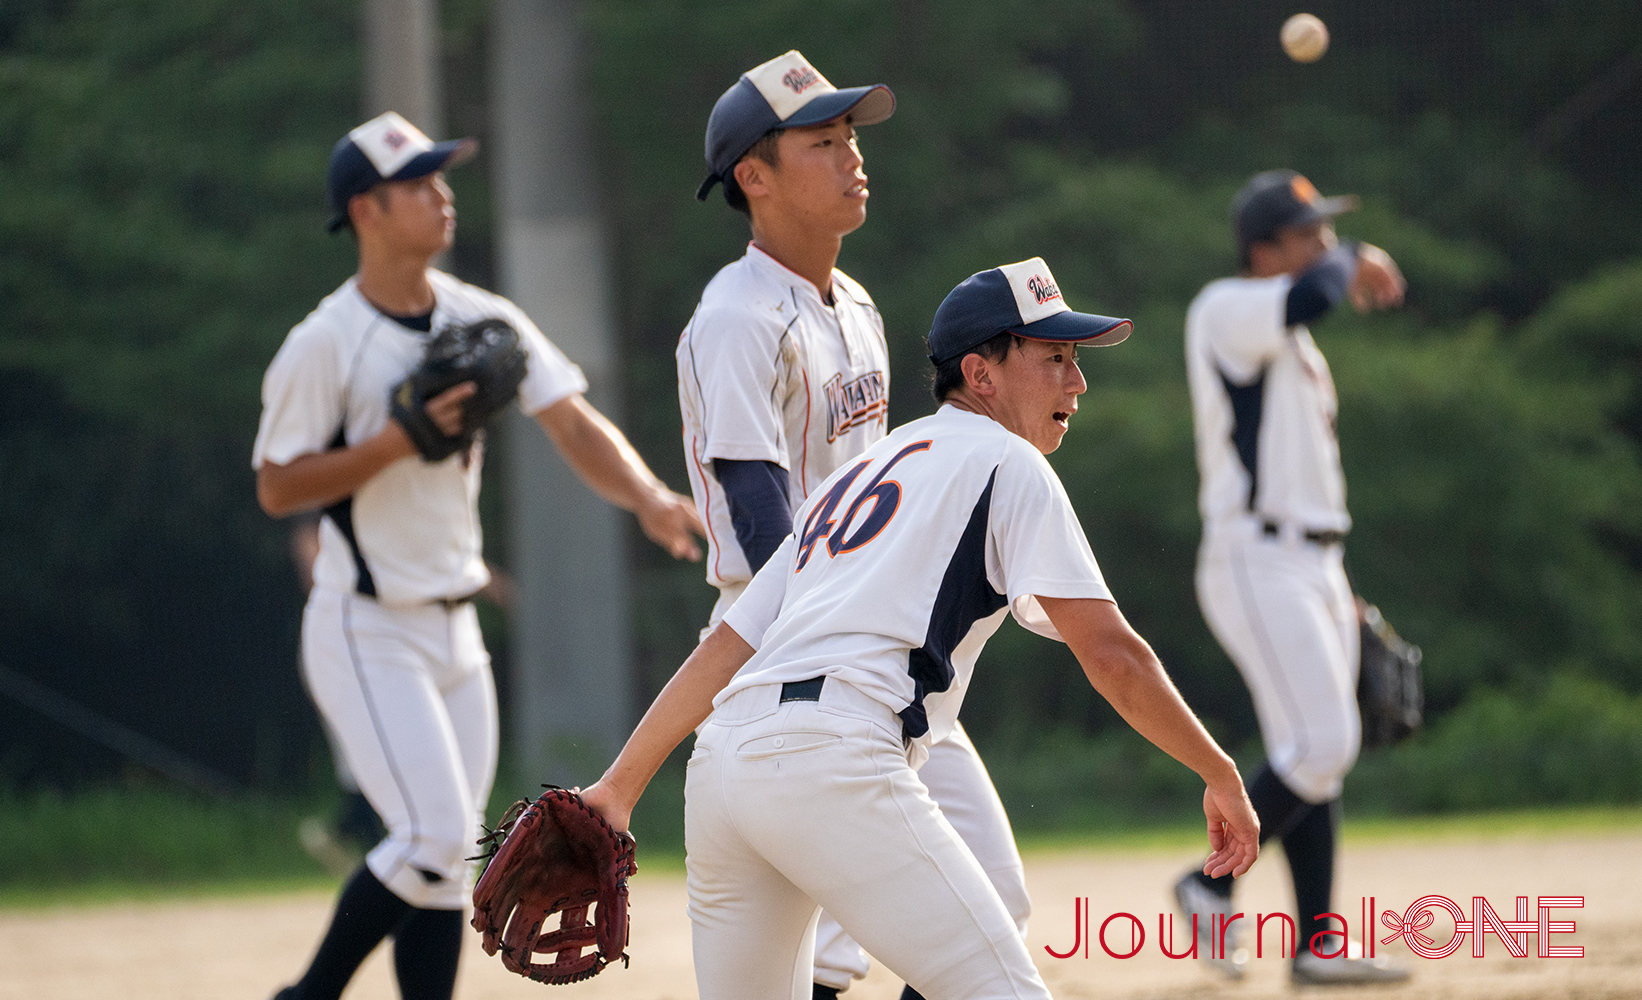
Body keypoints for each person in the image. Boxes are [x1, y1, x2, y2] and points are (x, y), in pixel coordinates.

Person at [585, 258, 1260, 1000]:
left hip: (722, 770)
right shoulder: (1009, 461)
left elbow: (728, 645)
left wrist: (619, 787)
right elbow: (1113, 655)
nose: (1078, 382)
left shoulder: (854, 475)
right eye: (1055, 359)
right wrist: (1218, 771)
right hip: (833, 755)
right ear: (982, 372)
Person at [252, 111, 703, 1000]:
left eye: (441, 177)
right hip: (365, 623)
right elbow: (276, 487)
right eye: (417, 183)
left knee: (448, 860)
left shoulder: (479, 317)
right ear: (367, 211)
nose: (442, 194)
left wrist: (648, 496)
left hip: (457, 632)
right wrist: (392, 442)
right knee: (427, 838)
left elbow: (570, 419)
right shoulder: (326, 341)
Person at [679, 50, 1030, 999]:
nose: (852, 157)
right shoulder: (738, 316)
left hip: (883, 654)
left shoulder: (858, 306)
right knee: (821, 953)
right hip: (788, 653)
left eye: (852, 139)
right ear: (753, 176)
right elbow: (760, 513)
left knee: (990, 897)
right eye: (823, 141)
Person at [1174, 169, 1409, 985]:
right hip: (1254, 556)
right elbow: (1312, 296)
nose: (1328, 245)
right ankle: (1205, 885)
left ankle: (1319, 945)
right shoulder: (1229, 307)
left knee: (1311, 752)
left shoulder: (1293, 345)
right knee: (1323, 741)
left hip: (1313, 559)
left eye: (1330, 233)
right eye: (1310, 233)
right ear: (1265, 248)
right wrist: (1361, 258)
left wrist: (1336, 577)